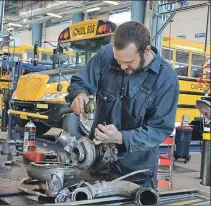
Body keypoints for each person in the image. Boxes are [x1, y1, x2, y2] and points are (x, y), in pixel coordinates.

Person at [65, 21, 179, 187]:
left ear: (145, 50)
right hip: (96, 164)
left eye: (128, 62)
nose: (122, 66)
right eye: (118, 61)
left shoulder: (166, 80)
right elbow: (80, 80)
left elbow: (159, 129)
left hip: (136, 173)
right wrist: (80, 94)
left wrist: (121, 137)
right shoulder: (106, 55)